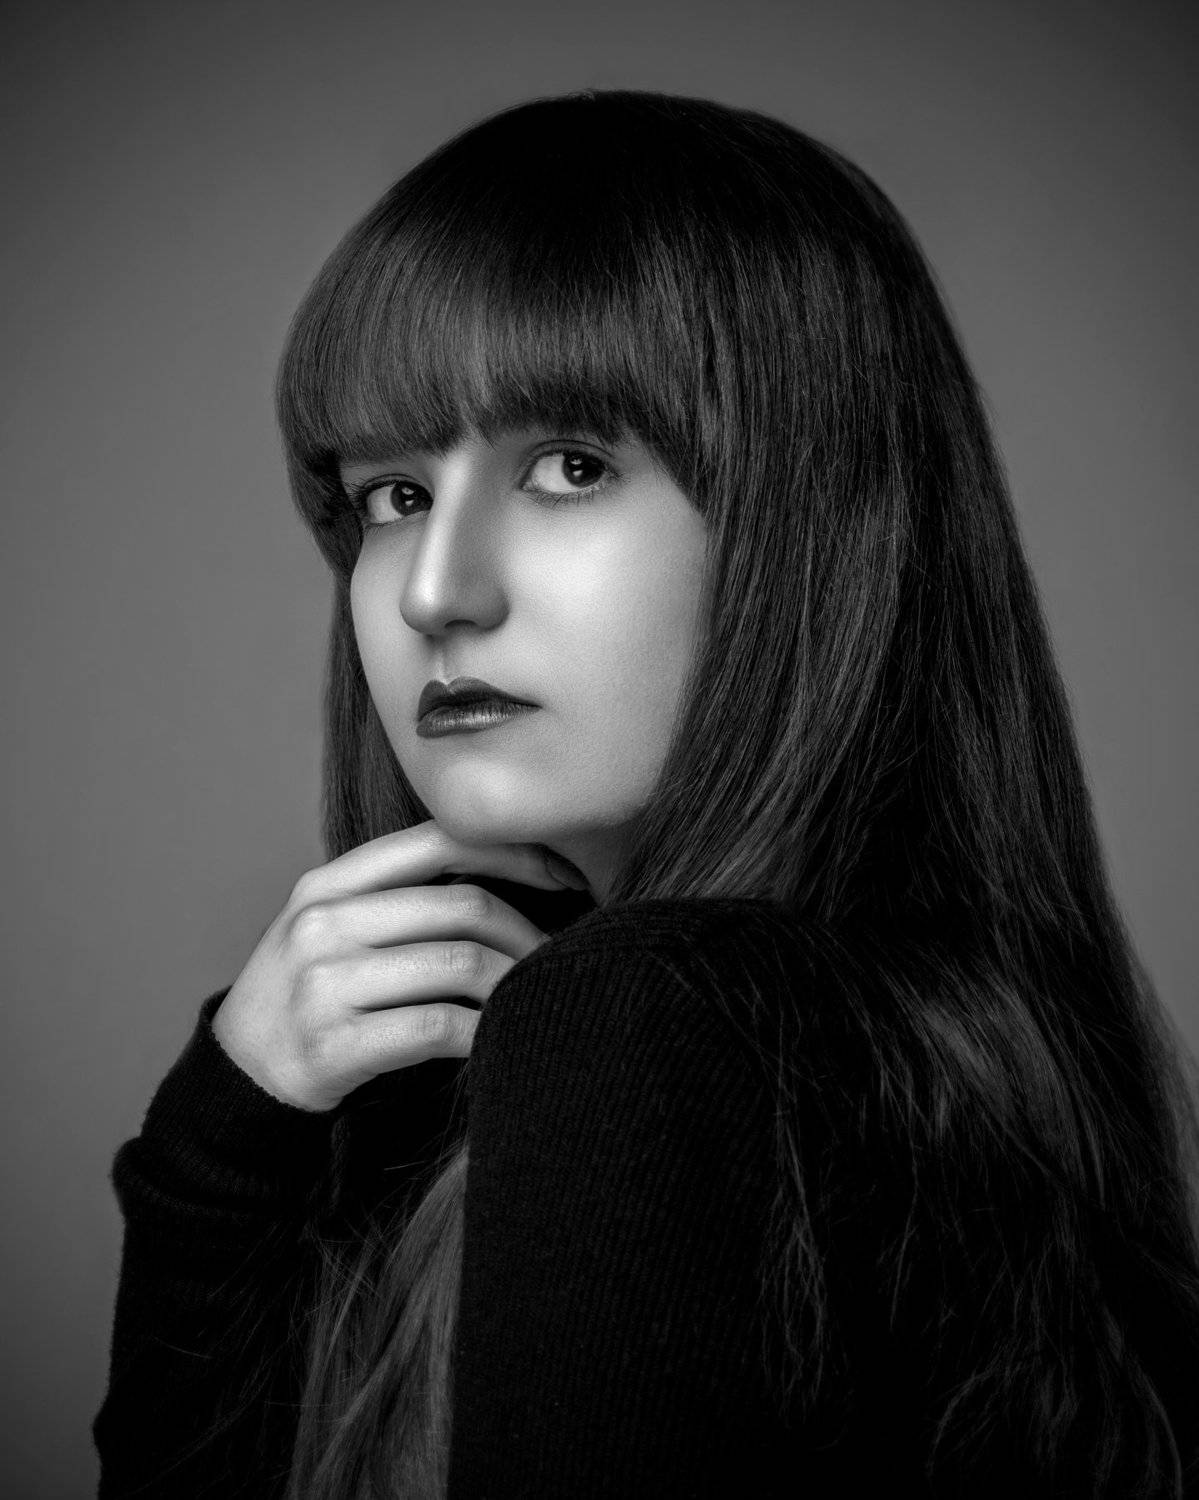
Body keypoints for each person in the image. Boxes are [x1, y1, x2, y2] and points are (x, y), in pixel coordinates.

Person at [92, 89, 1199, 1498]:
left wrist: (214, 1166)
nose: (435, 593)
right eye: (393, 497)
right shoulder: (967, 1054)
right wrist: (234, 1146)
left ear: (811, 521)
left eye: (569, 468)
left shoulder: (638, 1024)